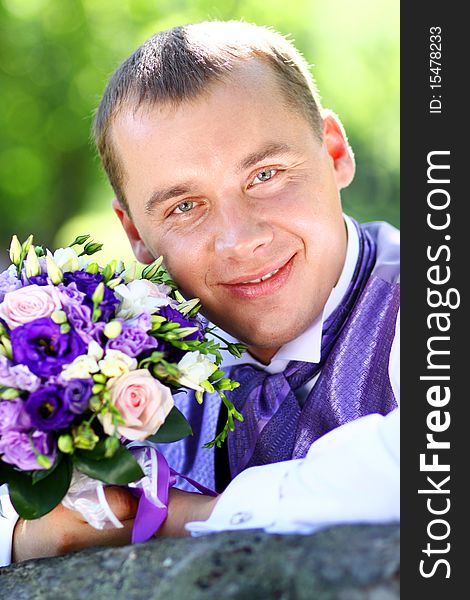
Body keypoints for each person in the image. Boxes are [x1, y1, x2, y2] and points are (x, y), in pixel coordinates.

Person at [0, 20, 399, 566]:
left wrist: (167, 515)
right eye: (184, 206)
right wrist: (22, 528)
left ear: (333, 153)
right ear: (135, 233)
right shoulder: (115, 354)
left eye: (266, 175)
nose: (241, 240)